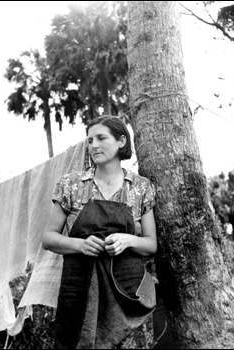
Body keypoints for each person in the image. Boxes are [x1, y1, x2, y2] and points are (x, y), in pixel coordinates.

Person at [42, 115, 157, 349]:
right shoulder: (72, 184)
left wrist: (128, 240)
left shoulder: (140, 186)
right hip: (80, 290)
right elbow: (48, 238)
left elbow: (151, 244)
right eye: (90, 140)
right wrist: (80, 245)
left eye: (101, 138)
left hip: (127, 292)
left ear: (121, 141)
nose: (93, 145)